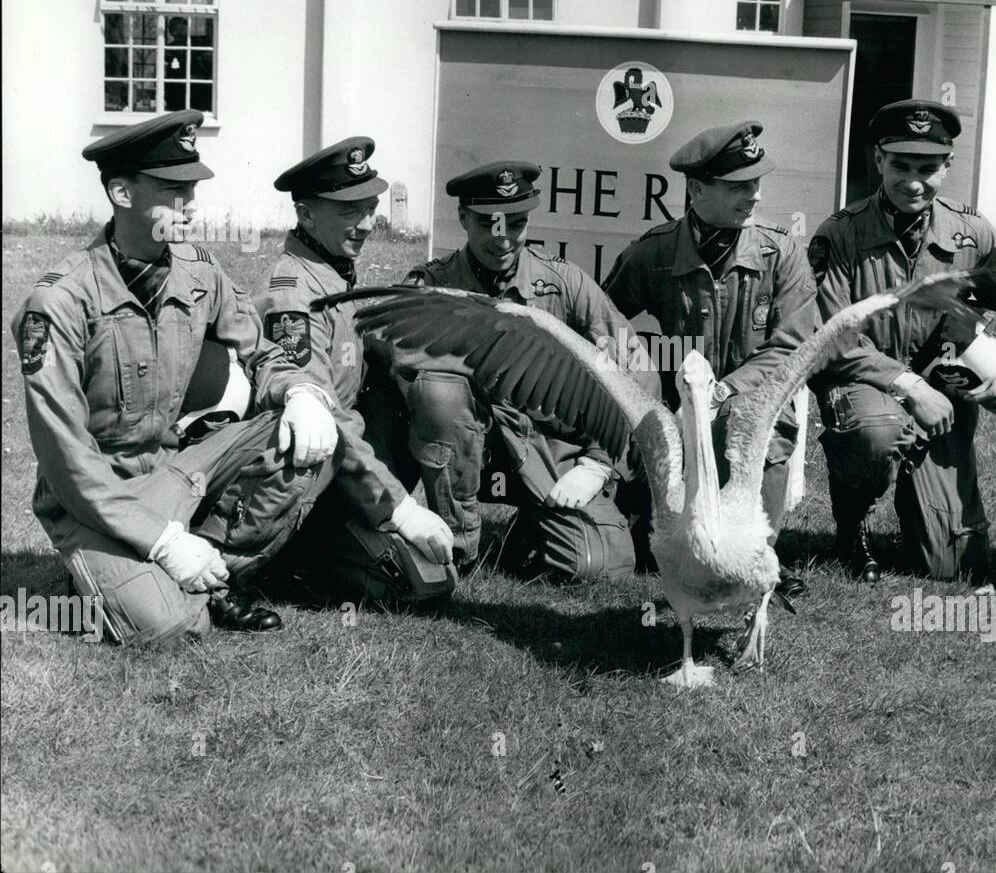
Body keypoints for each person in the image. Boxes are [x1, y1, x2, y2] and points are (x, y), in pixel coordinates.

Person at [12, 110, 340, 645]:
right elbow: (65, 456)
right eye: (171, 190)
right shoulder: (59, 302)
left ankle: (218, 570)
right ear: (122, 193)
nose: (187, 206)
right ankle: (113, 572)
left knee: (307, 431)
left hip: (173, 471)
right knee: (172, 630)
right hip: (94, 496)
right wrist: (161, 541)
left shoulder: (198, 271)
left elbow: (262, 351)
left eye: (191, 189)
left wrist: (300, 390)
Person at [360, 161, 651, 581]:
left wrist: (597, 463)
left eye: (515, 224)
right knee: (439, 392)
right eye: (487, 224)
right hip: (458, 440)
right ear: (462, 218)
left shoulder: (563, 283)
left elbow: (634, 368)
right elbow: (398, 363)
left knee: (599, 568)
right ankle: (458, 547)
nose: (502, 239)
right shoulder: (430, 287)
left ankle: (534, 527)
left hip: (543, 444)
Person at [807, 100, 996, 587]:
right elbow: (833, 336)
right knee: (876, 432)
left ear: (947, 166)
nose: (913, 182)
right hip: (864, 383)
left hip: (944, 397)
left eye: (928, 168)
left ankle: (920, 500)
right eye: (900, 165)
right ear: (878, 160)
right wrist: (909, 385)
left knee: (953, 566)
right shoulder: (841, 234)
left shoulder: (972, 233)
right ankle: (852, 526)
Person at [601, 121, 816, 601]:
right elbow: (603, 322)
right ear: (697, 190)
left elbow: (794, 345)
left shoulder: (780, 253)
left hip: (748, 403)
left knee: (770, 427)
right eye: (739, 186)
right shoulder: (653, 253)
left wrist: (723, 392)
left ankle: (758, 556)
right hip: (680, 411)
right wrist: (647, 379)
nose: (755, 196)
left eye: (757, 183)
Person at [252, 137, 456, 608]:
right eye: (350, 212)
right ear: (305, 215)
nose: (366, 225)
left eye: (370, 209)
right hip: (313, 472)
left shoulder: (335, 273)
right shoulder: (293, 298)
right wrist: (401, 508)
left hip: (347, 467)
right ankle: (297, 549)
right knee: (418, 586)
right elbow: (326, 420)